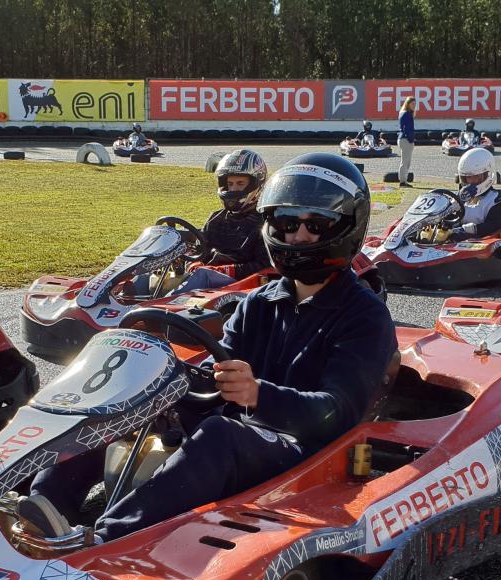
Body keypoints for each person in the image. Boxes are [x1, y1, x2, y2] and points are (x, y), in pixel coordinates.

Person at [21, 153, 398, 541]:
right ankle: (45, 503)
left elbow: (339, 412)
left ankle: (108, 535)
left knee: (221, 434)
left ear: (347, 227)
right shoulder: (259, 303)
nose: (298, 237)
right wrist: (159, 386)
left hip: (310, 449)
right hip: (247, 424)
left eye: (315, 225)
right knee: (123, 401)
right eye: (287, 224)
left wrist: (258, 395)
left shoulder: (364, 316)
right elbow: (218, 374)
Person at [175, 149, 270, 292]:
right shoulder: (216, 219)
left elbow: (263, 265)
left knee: (203, 274)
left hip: (241, 285)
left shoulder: (265, 223)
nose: (233, 189)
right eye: (230, 183)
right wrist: (192, 262)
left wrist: (222, 270)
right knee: (153, 274)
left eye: (240, 183)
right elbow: (200, 250)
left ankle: (159, 308)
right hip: (207, 282)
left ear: (256, 184)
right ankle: (131, 301)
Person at [449, 147, 501, 241]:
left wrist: (462, 230)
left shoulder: (499, 200)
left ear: (488, 174)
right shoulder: (458, 198)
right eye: (467, 177)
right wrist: (455, 204)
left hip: (482, 245)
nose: (471, 181)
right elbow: (446, 220)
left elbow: (494, 226)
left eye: (476, 176)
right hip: (454, 241)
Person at [397, 98, 416, 187]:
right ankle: (402, 181)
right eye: (412, 104)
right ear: (407, 104)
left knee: (407, 162)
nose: (414, 106)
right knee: (405, 162)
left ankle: (404, 180)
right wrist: (411, 139)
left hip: (403, 139)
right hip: (406, 139)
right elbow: (407, 129)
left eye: (414, 104)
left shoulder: (402, 113)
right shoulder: (407, 114)